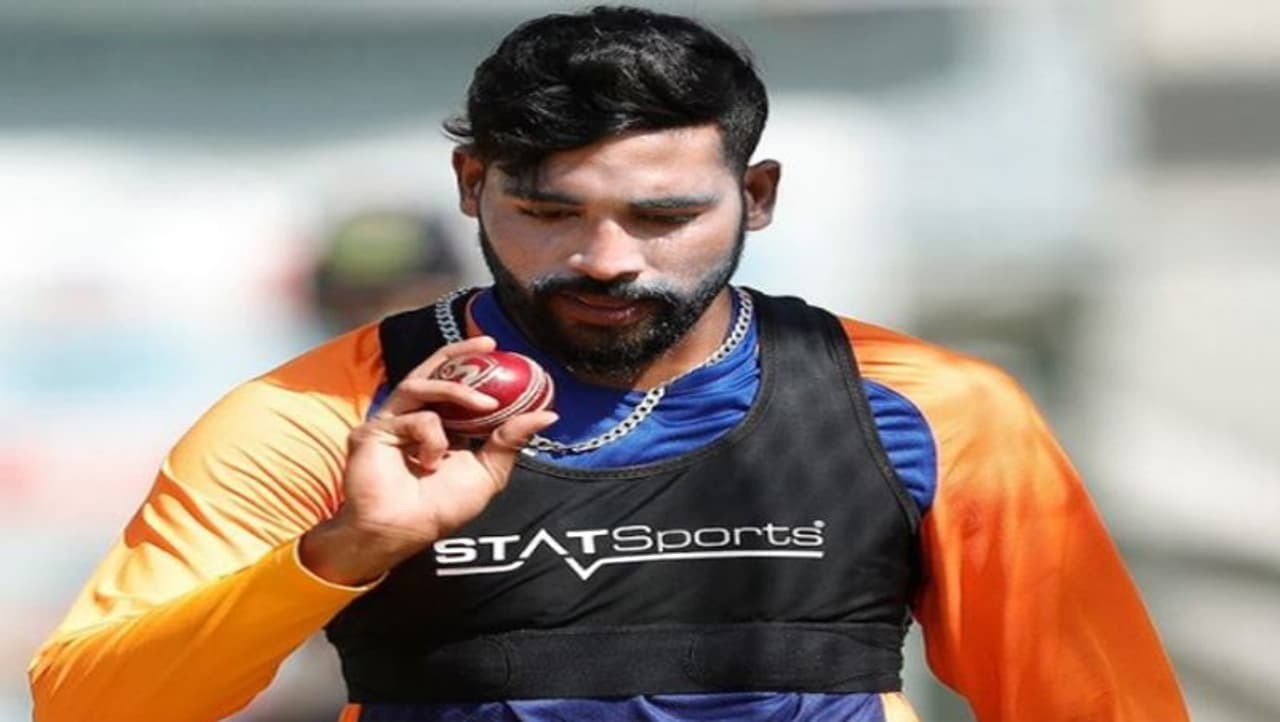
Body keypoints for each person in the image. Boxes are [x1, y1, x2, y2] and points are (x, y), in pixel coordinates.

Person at [29, 6, 1189, 722]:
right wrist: (349, 548)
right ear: (471, 186)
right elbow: (91, 704)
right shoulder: (312, 417)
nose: (604, 258)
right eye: (547, 211)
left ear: (756, 194)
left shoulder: (932, 406)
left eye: (663, 214)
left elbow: (1095, 702)